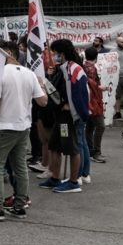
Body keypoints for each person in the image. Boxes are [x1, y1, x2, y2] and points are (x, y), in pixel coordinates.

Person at [0, 40, 47, 221]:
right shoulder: (30, 74)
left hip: (3, 126)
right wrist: (41, 86)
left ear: (8, 52)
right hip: (23, 126)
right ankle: (19, 206)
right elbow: (43, 101)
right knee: (21, 167)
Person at [39, 39, 89, 194]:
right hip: (59, 115)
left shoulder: (73, 69)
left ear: (62, 53)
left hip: (68, 117)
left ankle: (73, 182)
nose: (53, 56)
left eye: (55, 53)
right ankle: (55, 177)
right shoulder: (62, 69)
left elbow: (79, 92)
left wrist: (73, 108)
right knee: (54, 145)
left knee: (72, 148)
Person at [83, 46, 107, 163]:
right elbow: (92, 84)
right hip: (93, 101)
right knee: (100, 125)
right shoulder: (91, 69)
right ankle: (96, 152)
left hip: (88, 101)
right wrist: (100, 87)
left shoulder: (84, 67)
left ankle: (90, 149)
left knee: (90, 126)